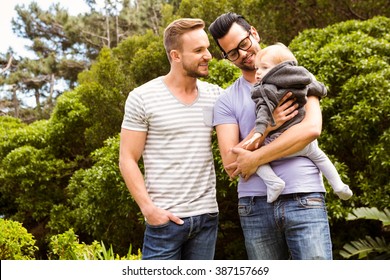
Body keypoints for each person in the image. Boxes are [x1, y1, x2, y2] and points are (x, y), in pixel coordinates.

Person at [209, 12, 333, 259]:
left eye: (243, 44)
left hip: (304, 197)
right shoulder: (225, 100)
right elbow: (231, 164)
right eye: (232, 53)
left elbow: (311, 129)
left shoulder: (298, 76)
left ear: (253, 33)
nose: (242, 54)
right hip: (254, 206)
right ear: (227, 58)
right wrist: (267, 127)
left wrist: (255, 158)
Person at [119, 18, 223, 260]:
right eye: (198, 50)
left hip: (206, 218)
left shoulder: (216, 95)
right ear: (176, 56)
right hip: (164, 222)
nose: (208, 55)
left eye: (207, 48)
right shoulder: (142, 97)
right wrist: (149, 210)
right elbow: (127, 159)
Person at [242, 43, 353, 203]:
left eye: (264, 67)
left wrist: (260, 131)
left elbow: (263, 112)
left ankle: (274, 183)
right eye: (257, 67)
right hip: (304, 143)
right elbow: (318, 88)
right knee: (321, 157)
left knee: (254, 159)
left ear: (281, 69)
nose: (258, 72)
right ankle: (338, 185)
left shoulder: (267, 89)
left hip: (281, 142)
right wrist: (323, 90)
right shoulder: (303, 80)